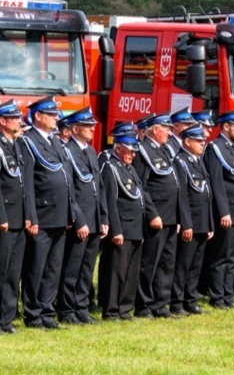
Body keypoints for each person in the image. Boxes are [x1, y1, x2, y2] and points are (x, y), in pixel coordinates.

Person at [18, 97, 79, 329]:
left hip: (60, 215)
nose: (56, 119)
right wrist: (31, 216)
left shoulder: (55, 142)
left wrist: (70, 212)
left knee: (53, 267)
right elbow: (28, 183)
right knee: (36, 267)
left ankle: (46, 310)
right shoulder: (29, 142)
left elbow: (67, 180)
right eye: (51, 115)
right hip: (42, 215)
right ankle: (33, 313)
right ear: (38, 117)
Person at [0, 100, 34, 335]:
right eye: (14, 118)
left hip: (19, 217)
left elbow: (25, 184)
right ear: (2, 121)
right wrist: (0, 217)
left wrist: (29, 215)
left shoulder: (17, 144)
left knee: (13, 272)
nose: (19, 121)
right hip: (4, 220)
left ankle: (6, 318)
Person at [134, 112, 186, 319]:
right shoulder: (142, 151)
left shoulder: (164, 150)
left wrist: (179, 217)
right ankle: (144, 305)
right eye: (167, 129)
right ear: (155, 129)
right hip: (157, 218)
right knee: (150, 263)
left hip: (171, 218)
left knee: (167, 263)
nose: (170, 133)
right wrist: (152, 214)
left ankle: (160, 303)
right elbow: (140, 186)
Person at [58, 108, 107, 326]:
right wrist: (78, 220)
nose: (92, 129)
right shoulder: (67, 151)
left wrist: (104, 218)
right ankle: (67, 309)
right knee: (72, 268)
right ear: (75, 129)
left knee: (87, 268)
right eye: (87, 127)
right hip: (81, 220)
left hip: (94, 219)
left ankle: (81, 307)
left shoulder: (90, 151)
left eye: (92, 126)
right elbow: (70, 191)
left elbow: (100, 188)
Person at [202, 110, 234, 310]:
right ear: (225, 126)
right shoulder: (215, 149)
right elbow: (217, 184)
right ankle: (217, 296)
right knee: (221, 257)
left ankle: (227, 295)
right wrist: (223, 212)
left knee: (233, 258)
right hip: (228, 213)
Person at [99, 132, 144, 321]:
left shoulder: (129, 169)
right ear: (118, 149)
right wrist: (116, 229)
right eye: (130, 151)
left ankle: (124, 308)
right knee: (116, 271)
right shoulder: (111, 168)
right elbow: (110, 201)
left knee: (131, 271)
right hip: (122, 227)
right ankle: (111, 310)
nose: (133, 155)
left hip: (135, 227)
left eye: (134, 152)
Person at [171, 124, 212, 315]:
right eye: (198, 140)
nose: (203, 143)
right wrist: (186, 223)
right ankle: (177, 302)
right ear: (187, 142)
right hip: (191, 222)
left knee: (196, 265)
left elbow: (206, 194)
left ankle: (190, 299)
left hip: (203, 221)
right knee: (183, 265)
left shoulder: (198, 160)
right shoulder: (180, 162)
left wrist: (210, 224)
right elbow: (182, 197)